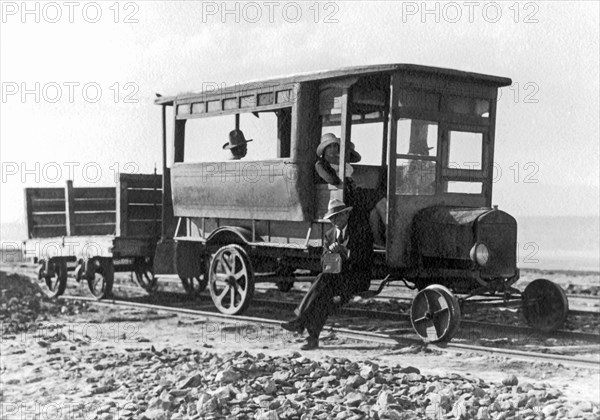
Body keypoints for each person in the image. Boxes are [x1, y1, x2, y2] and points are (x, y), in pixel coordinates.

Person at [281, 198, 373, 350]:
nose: (335, 220)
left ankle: (300, 320)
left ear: (346, 215)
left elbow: (366, 259)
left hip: (357, 278)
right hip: (336, 278)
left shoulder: (360, 231)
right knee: (323, 296)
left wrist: (346, 253)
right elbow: (325, 264)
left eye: (338, 216)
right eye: (332, 218)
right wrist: (331, 253)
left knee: (323, 284)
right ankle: (312, 338)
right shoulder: (329, 235)